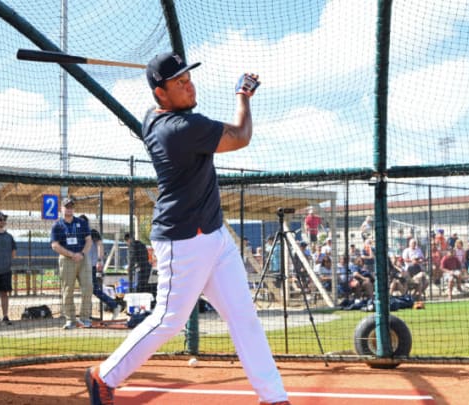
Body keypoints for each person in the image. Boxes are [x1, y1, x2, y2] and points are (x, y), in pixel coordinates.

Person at [84, 53, 290, 405]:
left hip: (213, 234)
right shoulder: (181, 129)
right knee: (168, 320)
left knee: (244, 316)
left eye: (187, 78)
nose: (189, 85)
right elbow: (240, 136)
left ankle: (273, 397)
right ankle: (103, 375)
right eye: (179, 83)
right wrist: (243, 94)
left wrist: (166, 76)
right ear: (160, 93)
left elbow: (178, 103)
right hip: (183, 241)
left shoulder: (154, 117)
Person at [50, 196, 92, 329]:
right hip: (67, 259)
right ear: (61, 208)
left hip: (83, 258)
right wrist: (71, 254)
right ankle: (70, 320)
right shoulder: (57, 225)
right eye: (66, 206)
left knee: (88, 287)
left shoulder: (81, 222)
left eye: (71, 207)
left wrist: (82, 254)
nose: (69, 209)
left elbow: (89, 240)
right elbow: (55, 245)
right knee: (67, 290)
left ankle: (85, 318)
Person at [79, 215, 124, 320]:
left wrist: (100, 260)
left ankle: (114, 305)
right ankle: (86, 314)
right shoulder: (79, 234)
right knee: (86, 290)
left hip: (90, 265)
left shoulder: (92, 232)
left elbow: (100, 245)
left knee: (93, 289)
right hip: (81, 266)